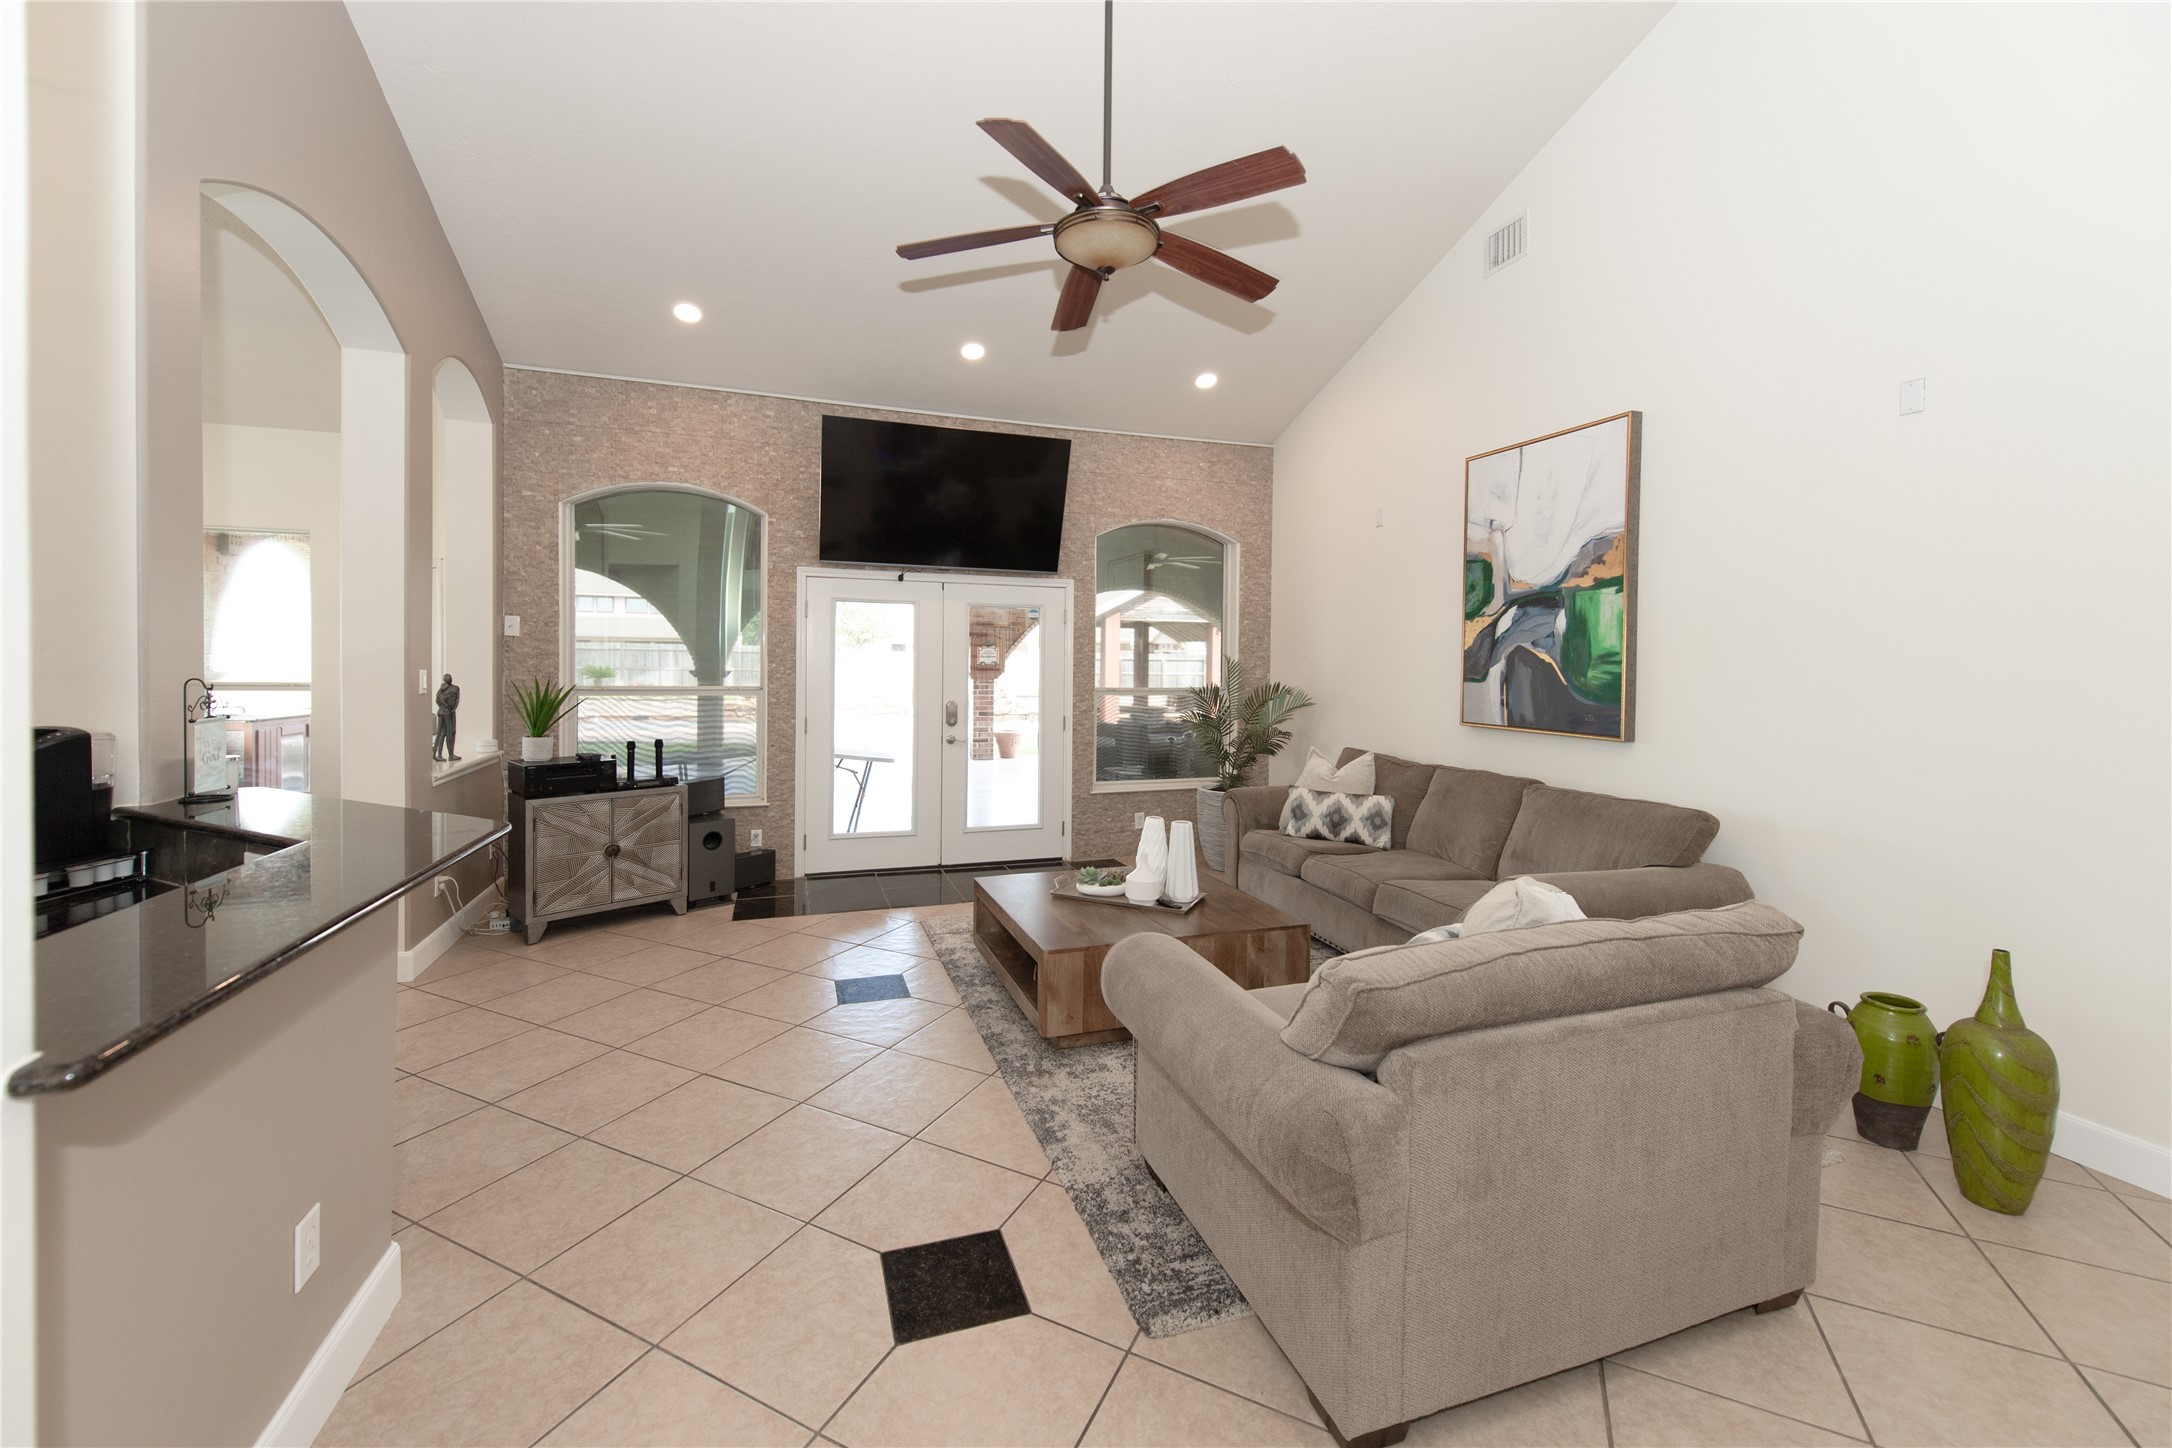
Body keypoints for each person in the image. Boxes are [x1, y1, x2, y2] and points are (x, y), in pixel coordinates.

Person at [432, 674, 461, 762]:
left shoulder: (443, 689)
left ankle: (437, 754)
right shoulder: (454, 688)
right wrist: (449, 709)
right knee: (449, 733)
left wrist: (446, 708)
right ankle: (449, 755)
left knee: (441, 733)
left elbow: (438, 699)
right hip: (447, 713)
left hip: (442, 712)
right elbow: (455, 701)